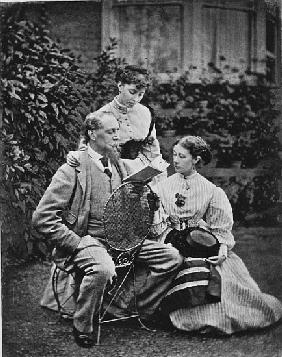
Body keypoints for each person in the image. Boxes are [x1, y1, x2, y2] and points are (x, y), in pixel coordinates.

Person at [32, 111, 183, 348]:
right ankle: (83, 326)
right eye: (111, 132)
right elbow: (42, 218)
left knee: (171, 258)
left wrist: (146, 201)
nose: (118, 137)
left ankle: (136, 308)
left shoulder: (119, 165)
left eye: (118, 131)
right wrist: (75, 243)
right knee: (102, 268)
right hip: (89, 240)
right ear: (92, 134)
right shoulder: (71, 169)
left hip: (122, 240)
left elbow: (127, 206)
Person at [150, 135, 282, 335]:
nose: (175, 160)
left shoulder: (211, 190)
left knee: (215, 271)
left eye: (182, 156)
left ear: (196, 160)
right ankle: (165, 312)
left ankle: (203, 315)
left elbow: (220, 228)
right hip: (169, 239)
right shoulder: (162, 186)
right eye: (174, 155)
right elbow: (155, 223)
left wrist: (221, 248)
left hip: (198, 241)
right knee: (173, 261)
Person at [67, 65, 163, 174]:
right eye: (132, 92)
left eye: (140, 94)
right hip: (110, 173)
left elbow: (152, 149)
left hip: (141, 172)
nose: (136, 99)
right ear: (120, 85)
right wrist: (75, 156)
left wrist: (155, 171)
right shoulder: (99, 115)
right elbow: (85, 152)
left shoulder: (146, 113)